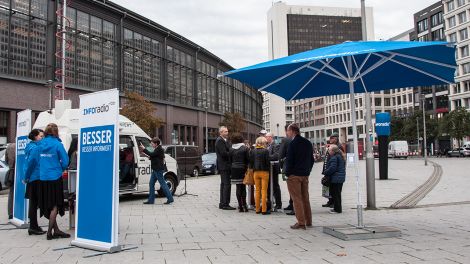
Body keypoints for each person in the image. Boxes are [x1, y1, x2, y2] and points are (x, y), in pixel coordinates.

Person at [38, 123, 70, 240]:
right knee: (55, 204)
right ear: (56, 132)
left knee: (48, 203)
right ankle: (49, 232)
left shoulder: (40, 144)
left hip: (43, 178)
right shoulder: (57, 144)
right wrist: (60, 168)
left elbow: (37, 160)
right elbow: (66, 161)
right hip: (55, 177)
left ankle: (56, 230)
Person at [285, 124, 314, 230]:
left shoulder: (293, 144)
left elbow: (289, 160)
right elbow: (312, 160)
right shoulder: (307, 143)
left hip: (294, 175)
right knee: (305, 198)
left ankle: (301, 223)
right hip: (305, 175)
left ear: (292, 131)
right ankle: (309, 220)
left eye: (287, 131)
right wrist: (308, 171)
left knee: (296, 199)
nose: (287, 133)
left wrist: (287, 173)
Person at [24, 129, 46, 235]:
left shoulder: (30, 146)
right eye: (41, 136)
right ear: (35, 137)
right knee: (34, 203)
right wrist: (26, 177)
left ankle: (34, 226)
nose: (42, 138)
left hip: (32, 178)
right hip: (35, 178)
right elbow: (31, 163)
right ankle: (33, 227)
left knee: (33, 202)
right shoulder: (35, 148)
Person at [141, 137, 173, 205]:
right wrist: (149, 157)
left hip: (158, 169)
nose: (151, 145)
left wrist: (144, 149)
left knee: (163, 184)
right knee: (151, 184)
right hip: (155, 169)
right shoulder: (157, 149)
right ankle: (151, 200)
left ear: (156, 144)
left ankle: (170, 198)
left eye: (152, 144)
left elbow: (152, 154)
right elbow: (155, 157)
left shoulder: (159, 149)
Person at [229, 133, 250, 212]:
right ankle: (245, 205)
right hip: (242, 169)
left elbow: (230, 160)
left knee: (238, 187)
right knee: (243, 187)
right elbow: (248, 159)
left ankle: (240, 206)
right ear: (241, 139)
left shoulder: (231, 149)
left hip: (234, 169)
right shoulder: (245, 148)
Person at [215, 126, 235, 210]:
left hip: (224, 166)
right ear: (221, 132)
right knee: (226, 184)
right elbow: (224, 153)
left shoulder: (224, 140)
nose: (227, 133)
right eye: (225, 132)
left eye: (227, 131)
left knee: (224, 184)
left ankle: (222, 203)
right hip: (224, 166)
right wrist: (232, 151)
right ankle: (225, 204)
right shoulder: (220, 141)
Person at [321, 133, 343, 208]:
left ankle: (334, 203)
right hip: (329, 169)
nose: (330, 140)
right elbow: (327, 158)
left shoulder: (339, 147)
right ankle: (330, 201)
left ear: (336, 139)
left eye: (332, 138)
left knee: (334, 189)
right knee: (328, 187)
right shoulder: (330, 146)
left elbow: (341, 160)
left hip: (333, 171)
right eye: (330, 138)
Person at [323, 144, 346, 214]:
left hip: (336, 178)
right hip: (339, 178)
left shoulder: (334, 157)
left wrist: (325, 172)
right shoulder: (339, 156)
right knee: (337, 194)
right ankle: (336, 208)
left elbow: (332, 168)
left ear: (333, 151)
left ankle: (338, 209)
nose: (328, 151)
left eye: (329, 150)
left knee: (335, 194)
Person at [251, 136, 270, 215]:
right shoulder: (265, 151)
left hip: (256, 172)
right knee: (264, 190)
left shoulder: (253, 151)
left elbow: (251, 161)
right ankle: (264, 210)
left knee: (257, 190)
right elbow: (267, 161)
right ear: (263, 143)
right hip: (264, 172)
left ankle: (257, 209)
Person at [279, 125, 294, 215]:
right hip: (299, 169)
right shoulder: (301, 140)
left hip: (287, 168)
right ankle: (291, 203)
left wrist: (281, 166)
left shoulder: (285, 140)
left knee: (290, 187)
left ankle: (292, 205)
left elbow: (280, 155)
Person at [266, 132, 282, 210]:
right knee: (268, 186)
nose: (266, 138)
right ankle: (270, 202)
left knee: (275, 185)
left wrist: (266, 157)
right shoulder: (267, 145)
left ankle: (278, 203)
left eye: (267, 137)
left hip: (274, 168)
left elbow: (276, 156)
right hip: (268, 169)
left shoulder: (276, 145)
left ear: (271, 137)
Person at [5, 142, 16, 220]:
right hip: (17, 171)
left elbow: (6, 160)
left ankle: (10, 213)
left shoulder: (9, 146)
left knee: (11, 193)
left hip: (11, 171)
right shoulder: (20, 146)